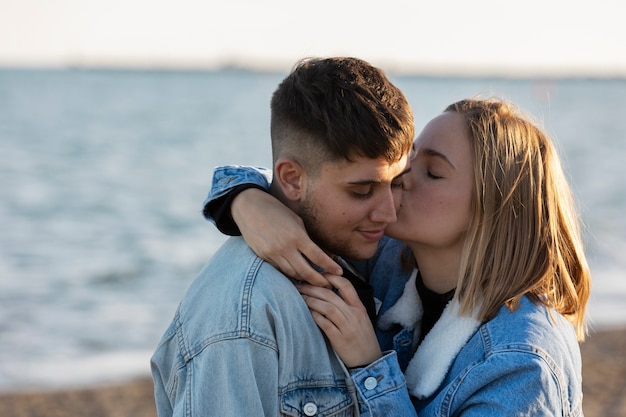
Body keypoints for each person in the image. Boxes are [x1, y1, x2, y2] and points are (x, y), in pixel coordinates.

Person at [202, 97, 591, 416]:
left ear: (496, 209)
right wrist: (247, 201)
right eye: (409, 160)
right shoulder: (392, 262)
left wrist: (370, 367)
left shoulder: (521, 362)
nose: (400, 178)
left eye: (433, 172)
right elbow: (310, 179)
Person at [150, 57, 416, 416]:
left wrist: (239, 194)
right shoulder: (242, 320)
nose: (389, 212)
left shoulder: (360, 250)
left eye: (397, 183)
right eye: (362, 191)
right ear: (291, 179)